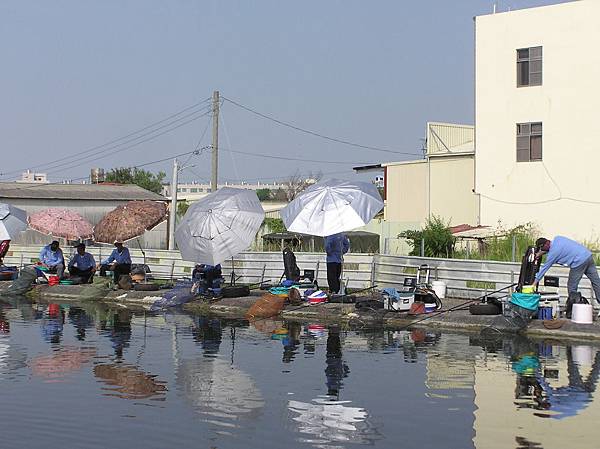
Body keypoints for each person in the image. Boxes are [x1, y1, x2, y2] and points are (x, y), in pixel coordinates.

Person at [534, 236, 600, 306]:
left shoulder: (553, 253)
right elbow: (561, 249)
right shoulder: (558, 238)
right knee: (596, 282)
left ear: (547, 243)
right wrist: (541, 253)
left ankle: (573, 309)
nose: (541, 250)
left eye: (542, 248)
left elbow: (544, 268)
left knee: (572, 287)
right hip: (588, 256)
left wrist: (534, 283)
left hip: (578, 262)